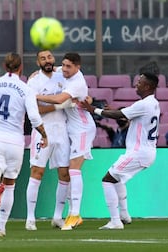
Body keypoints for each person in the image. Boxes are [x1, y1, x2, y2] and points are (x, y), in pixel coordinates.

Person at [0, 52, 48, 237]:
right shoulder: (26, 88)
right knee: (10, 184)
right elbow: (35, 116)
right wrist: (44, 134)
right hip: (15, 142)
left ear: (5, 67)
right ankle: (1, 228)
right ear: (21, 67)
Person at [81, 72, 160, 229]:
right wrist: (115, 111)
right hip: (146, 151)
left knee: (107, 179)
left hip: (139, 152)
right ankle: (124, 215)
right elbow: (128, 116)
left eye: (140, 82)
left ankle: (115, 221)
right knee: (117, 178)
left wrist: (93, 109)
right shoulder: (153, 103)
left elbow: (119, 115)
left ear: (148, 86)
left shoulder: (144, 104)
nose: (136, 84)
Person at [36, 52, 96, 231]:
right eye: (64, 65)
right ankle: (68, 214)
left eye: (69, 66)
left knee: (74, 170)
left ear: (78, 67)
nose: (65, 69)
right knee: (69, 172)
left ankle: (75, 215)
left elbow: (59, 99)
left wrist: (35, 96)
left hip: (83, 129)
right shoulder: (65, 71)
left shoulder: (77, 82)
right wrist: (36, 74)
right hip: (71, 129)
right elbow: (53, 68)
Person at [25, 50, 71, 231]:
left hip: (62, 130)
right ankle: (30, 218)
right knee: (37, 172)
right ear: (38, 62)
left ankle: (58, 216)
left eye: (50, 57)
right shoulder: (34, 81)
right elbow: (35, 109)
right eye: (43, 58)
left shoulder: (62, 75)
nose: (47, 60)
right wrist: (58, 105)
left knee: (65, 173)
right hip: (42, 130)